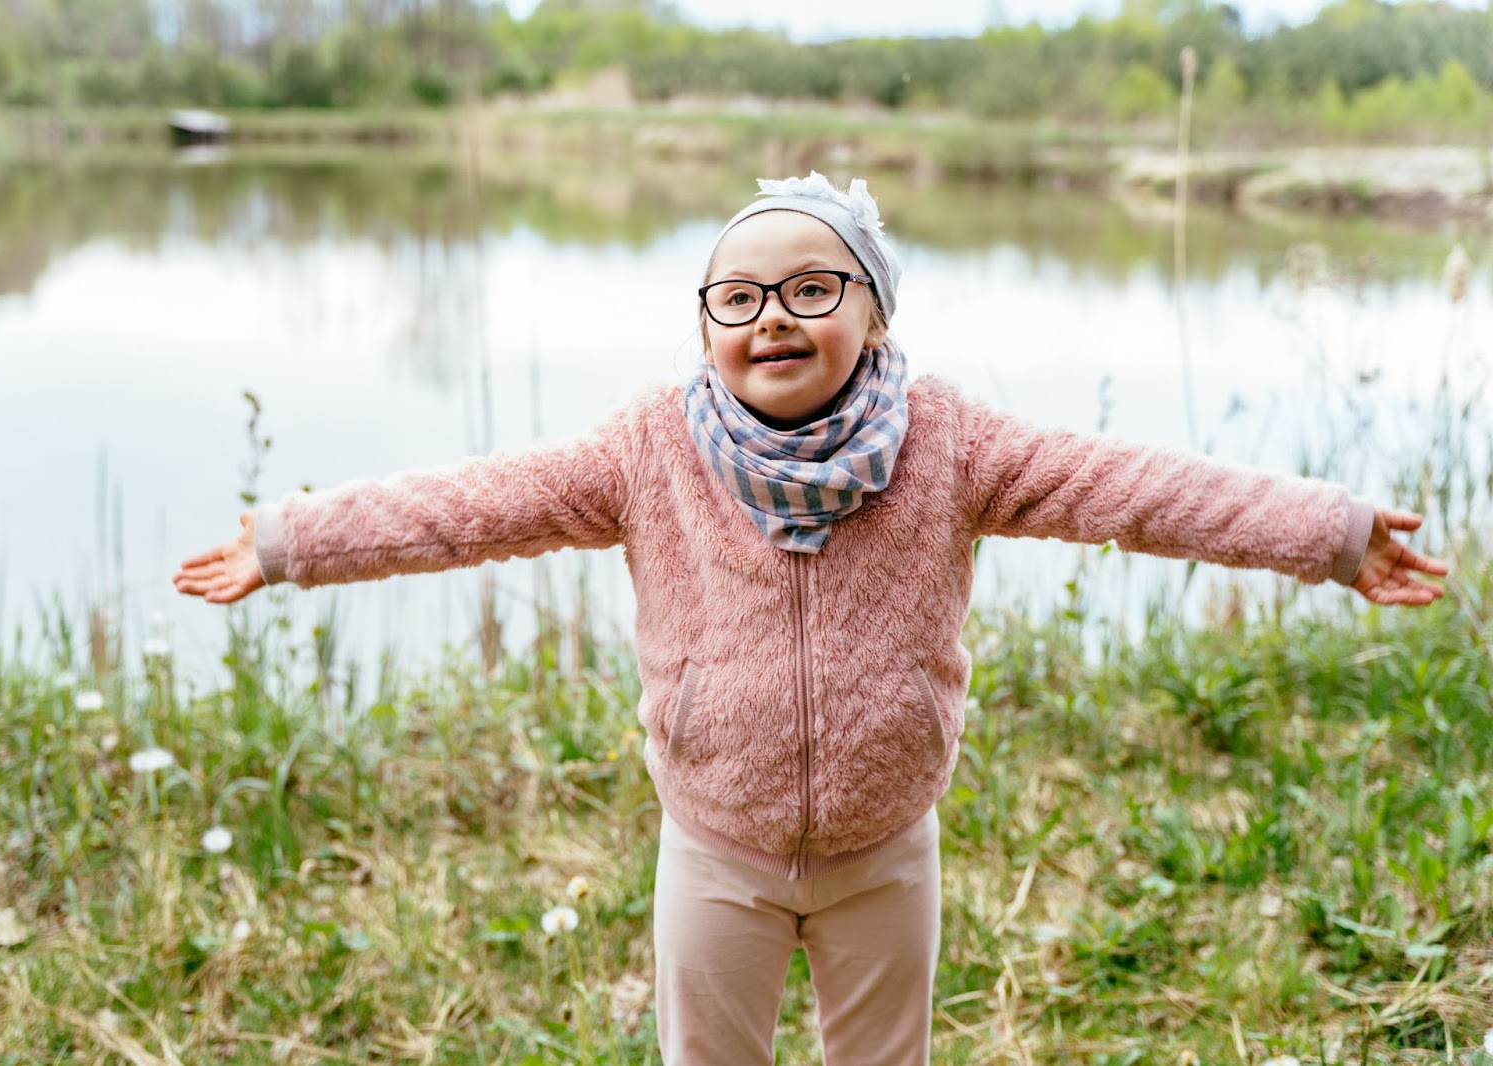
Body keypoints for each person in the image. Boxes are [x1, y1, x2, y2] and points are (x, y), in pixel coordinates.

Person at [173, 172, 1449, 1065]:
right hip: (712, 848)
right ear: (707, 326)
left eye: (810, 287)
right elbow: (470, 505)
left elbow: (1137, 489)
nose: (772, 314)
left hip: (886, 850)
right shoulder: (648, 449)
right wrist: (292, 541)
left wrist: (1327, 535)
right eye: (738, 296)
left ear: (875, 311)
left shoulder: (952, 443)